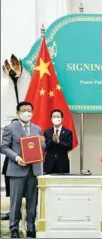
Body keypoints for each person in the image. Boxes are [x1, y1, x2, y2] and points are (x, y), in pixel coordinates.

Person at [0, 101, 45, 238]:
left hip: (34, 170)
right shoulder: (10, 128)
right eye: (24, 110)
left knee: (33, 201)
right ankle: (14, 227)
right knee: (16, 200)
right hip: (17, 169)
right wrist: (17, 157)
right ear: (18, 113)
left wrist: (42, 143)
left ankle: (31, 227)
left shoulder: (37, 128)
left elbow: (40, 148)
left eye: (29, 110)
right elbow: (3, 147)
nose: (27, 113)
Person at [43, 109, 73, 174]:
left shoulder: (68, 132)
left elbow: (69, 146)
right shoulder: (47, 132)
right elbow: (45, 147)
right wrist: (52, 141)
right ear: (51, 119)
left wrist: (59, 142)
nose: (56, 118)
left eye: (58, 117)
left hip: (62, 163)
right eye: (54, 117)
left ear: (62, 119)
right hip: (49, 163)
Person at [1, 118, 19, 221]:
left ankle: (20, 213)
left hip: (22, 168)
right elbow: (3, 149)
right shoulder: (7, 136)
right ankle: (9, 212)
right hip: (8, 167)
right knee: (9, 192)